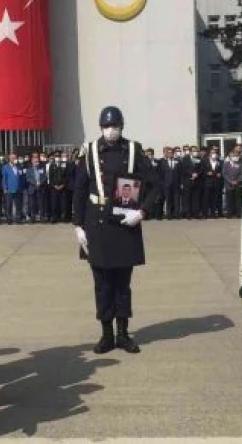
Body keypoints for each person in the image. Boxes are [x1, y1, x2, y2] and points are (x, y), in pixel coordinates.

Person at [72, 106, 159, 354]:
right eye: (107, 126)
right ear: (100, 127)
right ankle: (106, 335)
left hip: (124, 221)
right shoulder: (88, 152)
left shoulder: (134, 150)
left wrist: (142, 212)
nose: (111, 130)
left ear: (122, 126)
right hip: (96, 224)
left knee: (123, 283)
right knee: (102, 284)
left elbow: (155, 186)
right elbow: (79, 190)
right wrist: (77, 225)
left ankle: (123, 334)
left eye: (115, 126)